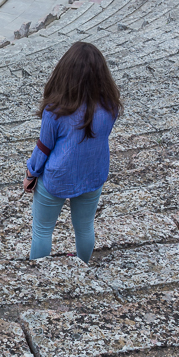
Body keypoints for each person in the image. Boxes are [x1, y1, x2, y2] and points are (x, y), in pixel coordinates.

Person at [23, 42, 122, 264]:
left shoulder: (55, 111)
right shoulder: (110, 106)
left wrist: (31, 174)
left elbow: (44, 147)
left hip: (57, 177)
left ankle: (39, 275)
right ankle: (82, 266)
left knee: (42, 230)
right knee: (85, 227)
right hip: (93, 174)